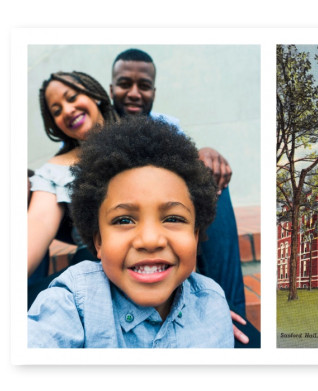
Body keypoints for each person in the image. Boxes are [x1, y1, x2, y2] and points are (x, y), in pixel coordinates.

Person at [28, 116, 234, 348]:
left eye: (173, 218)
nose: (149, 240)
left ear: (195, 236)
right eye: (124, 219)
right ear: (98, 241)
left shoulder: (212, 304)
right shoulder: (74, 301)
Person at [110, 49, 258, 346]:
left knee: (210, 179)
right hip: (127, 227)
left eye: (145, 85)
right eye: (125, 84)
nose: (135, 93)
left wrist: (205, 154)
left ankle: (231, 313)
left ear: (154, 90)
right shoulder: (100, 128)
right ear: (112, 87)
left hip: (170, 220)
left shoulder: (167, 127)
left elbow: (189, 164)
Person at [27, 71, 119, 280]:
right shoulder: (54, 171)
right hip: (92, 275)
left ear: (93, 94)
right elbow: (37, 226)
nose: (67, 110)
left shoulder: (143, 137)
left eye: (72, 97)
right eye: (57, 111)